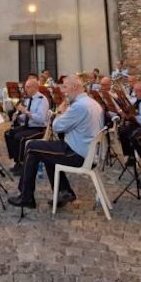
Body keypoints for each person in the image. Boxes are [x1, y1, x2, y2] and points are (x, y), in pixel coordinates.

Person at [8, 74, 103, 209]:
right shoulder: (92, 103)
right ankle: (63, 191)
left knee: (32, 147)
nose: (62, 91)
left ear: (75, 87)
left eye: (65, 87)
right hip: (86, 151)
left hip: (77, 154)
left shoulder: (79, 106)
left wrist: (60, 111)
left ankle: (26, 196)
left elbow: (57, 127)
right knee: (45, 151)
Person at [5, 77, 50, 176]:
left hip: (39, 128)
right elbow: (25, 117)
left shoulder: (42, 100)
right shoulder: (28, 99)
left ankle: (23, 165)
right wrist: (18, 117)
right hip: (29, 126)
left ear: (35, 87)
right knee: (9, 133)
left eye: (28, 87)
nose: (25, 89)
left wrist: (26, 112)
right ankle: (17, 160)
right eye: (25, 87)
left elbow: (40, 119)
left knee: (20, 138)